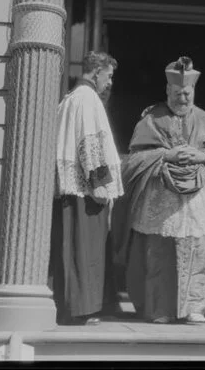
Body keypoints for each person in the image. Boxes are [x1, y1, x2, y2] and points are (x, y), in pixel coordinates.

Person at [111, 57, 205, 324]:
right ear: (168, 92)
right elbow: (135, 158)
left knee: (200, 249)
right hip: (161, 197)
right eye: (178, 93)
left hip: (198, 198)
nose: (183, 98)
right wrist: (166, 155)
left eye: (188, 93)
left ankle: (196, 307)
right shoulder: (151, 119)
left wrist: (201, 156)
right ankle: (161, 308)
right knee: (160, 251)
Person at [50, 51, 125, 325]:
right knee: (83, 250)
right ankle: (79, 310)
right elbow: (90, 144)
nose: (110, 82)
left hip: (73, 190)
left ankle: (75, 308)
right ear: (97, 72)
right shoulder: (86, 98)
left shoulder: (72, 97)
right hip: (85, 192)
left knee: (72, 249)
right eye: (109, 76)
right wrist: (100, 187)